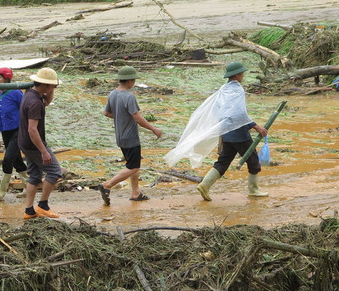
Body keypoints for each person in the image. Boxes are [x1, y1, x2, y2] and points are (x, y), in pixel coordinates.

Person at [164, 62, 268, 201]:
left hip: (226, 132)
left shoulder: (223, 89)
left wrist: (223, 127)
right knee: (253, 160)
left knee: (224, 161)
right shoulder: (237, 90)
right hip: (238, 133)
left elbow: (217, 111)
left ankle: (205, 185)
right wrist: (256, 127)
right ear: (236, 75)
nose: (243, 75)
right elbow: (239, 114)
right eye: (242, 73)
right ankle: (253, 189)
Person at [98, 66, 162, 206]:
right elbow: (137, 118)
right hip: (131, 137)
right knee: (133, 167)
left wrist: (121, 117)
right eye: (133, 80)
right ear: (129, 81)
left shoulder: (113, 94)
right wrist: (154, 129)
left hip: (120, 136)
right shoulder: (129, 97)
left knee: (134, 162)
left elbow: (107, 113)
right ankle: (108, 185)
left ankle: (135, 193)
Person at [18, 67, 63, 219]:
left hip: (24, 142)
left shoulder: (30, 93)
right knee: (55, 171)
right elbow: (32, 130)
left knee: (35, 175)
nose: (54, 88)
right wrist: (43, 151)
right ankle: (43, 205)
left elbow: (47, 102)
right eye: (52, 86)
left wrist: (50, 89)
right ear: (44, 85)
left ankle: (29, 210)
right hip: (33, 143)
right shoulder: (35, 102)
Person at [0, 67, 28, 201]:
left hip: (18, 131)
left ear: (7, 79)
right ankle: (28, 188)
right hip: (5, 131)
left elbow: (25, 111)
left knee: (8, 159)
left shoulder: (16, 93)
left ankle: (1, 191)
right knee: (16, 160)